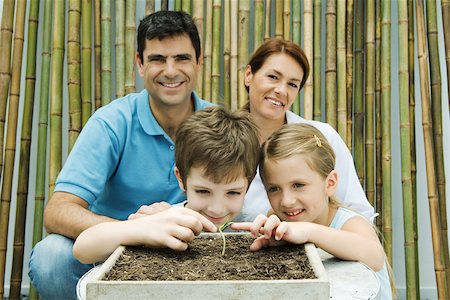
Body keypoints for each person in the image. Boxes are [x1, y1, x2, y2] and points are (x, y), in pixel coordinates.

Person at [29, 11, 212, 299]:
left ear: (199, 62)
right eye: (157, 59)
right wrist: (137, 230)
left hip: (191, 251)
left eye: (182, 58)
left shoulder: (216, 123)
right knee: (50, 257)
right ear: (140, 64)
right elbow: (57, 211)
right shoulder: (112, 122)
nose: (171, 71)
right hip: (111, 248)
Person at [73, 107, 261, 263]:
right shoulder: (166, 221)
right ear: (181, 178)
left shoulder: (255, 226)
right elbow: (83, 249)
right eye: (203, 191)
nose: (217, 208)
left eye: (233, 193)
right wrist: (141, 228)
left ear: (249, 182)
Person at [232, 123, 395, 299]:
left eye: (298, 185)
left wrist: (309, 231)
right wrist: (273, 237)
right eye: (274, 189)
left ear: (330, 183)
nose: (287, 201)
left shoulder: (350, 222)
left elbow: (374, 255)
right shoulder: (278, 217)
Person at [240, 38, 375, 222]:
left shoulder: (321, 137)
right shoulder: (224, 140)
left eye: (292, 84)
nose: (281, 90)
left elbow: (359, 212)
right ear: (249, 75)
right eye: (273, 77)